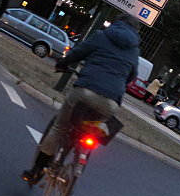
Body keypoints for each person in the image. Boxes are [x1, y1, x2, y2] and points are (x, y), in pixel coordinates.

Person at [22, 12, 141, 184]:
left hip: (86, 90)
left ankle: (36, 170)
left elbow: (78, 53)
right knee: (90, 129)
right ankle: (80, 155)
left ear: (117, 23)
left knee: (59, 128)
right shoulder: (134, 50)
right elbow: (132, 76)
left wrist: (62, 63)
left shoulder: (102, 36)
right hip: (111, 102)